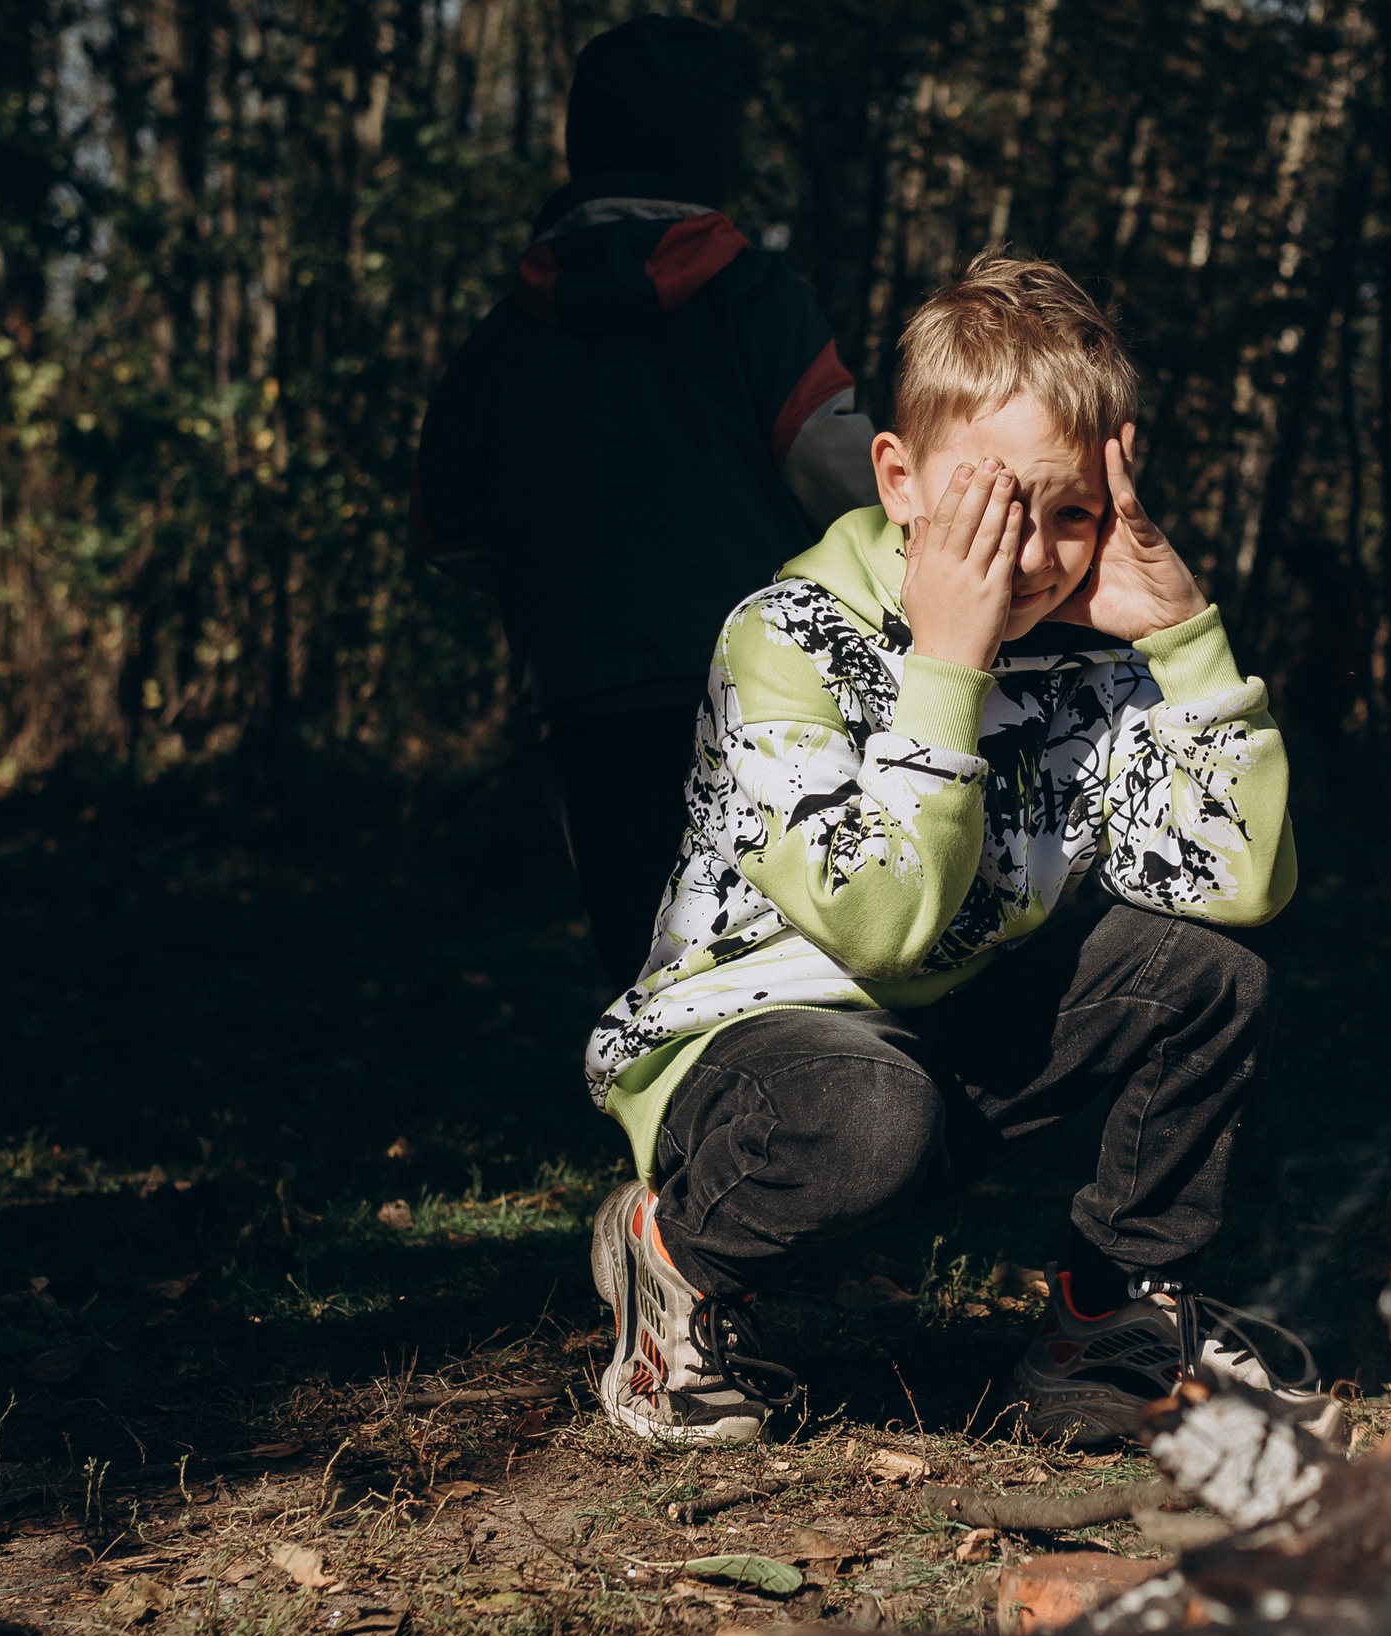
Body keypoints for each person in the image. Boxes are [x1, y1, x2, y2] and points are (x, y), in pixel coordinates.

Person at [582, 256, 1328, 1448]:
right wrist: (947, 663)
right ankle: (672, 1254)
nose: (1030, 555)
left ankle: (1105, 1315)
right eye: (992, 506)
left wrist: (1187, 647)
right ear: (901, 478)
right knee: (870, 1109)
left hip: (942, 1029)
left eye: (1071, 513)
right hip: (751, 1039)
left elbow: (1233, 890)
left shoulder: (1098, 651)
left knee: (1208, 968)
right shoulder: (787, 639)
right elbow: (877, 921)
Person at [410, 16, 878, 982]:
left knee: (643, 944)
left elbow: (448, 530)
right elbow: (836, 470)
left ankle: (666, 1120)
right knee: (775, 938)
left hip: (587, 692)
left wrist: (563, 571)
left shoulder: (508, 335)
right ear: (716, 142)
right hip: (765, 682)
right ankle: (782, 1119)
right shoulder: (754, 297)